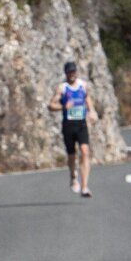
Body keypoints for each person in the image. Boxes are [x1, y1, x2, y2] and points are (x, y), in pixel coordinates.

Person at [47, 61, 98, 198]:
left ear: (76, 72)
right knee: (72, 156)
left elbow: (88, 99)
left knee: (85, 151)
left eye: (73, 72)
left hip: (81, 124)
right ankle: (73, 176)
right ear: (66, 73)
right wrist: (63, 107)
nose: (72, 75)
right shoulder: (62, 88)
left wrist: (92, 111)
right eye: (69, 72)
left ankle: (85, 187)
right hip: (68, 126)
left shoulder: (83, 85)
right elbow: (51, 105)